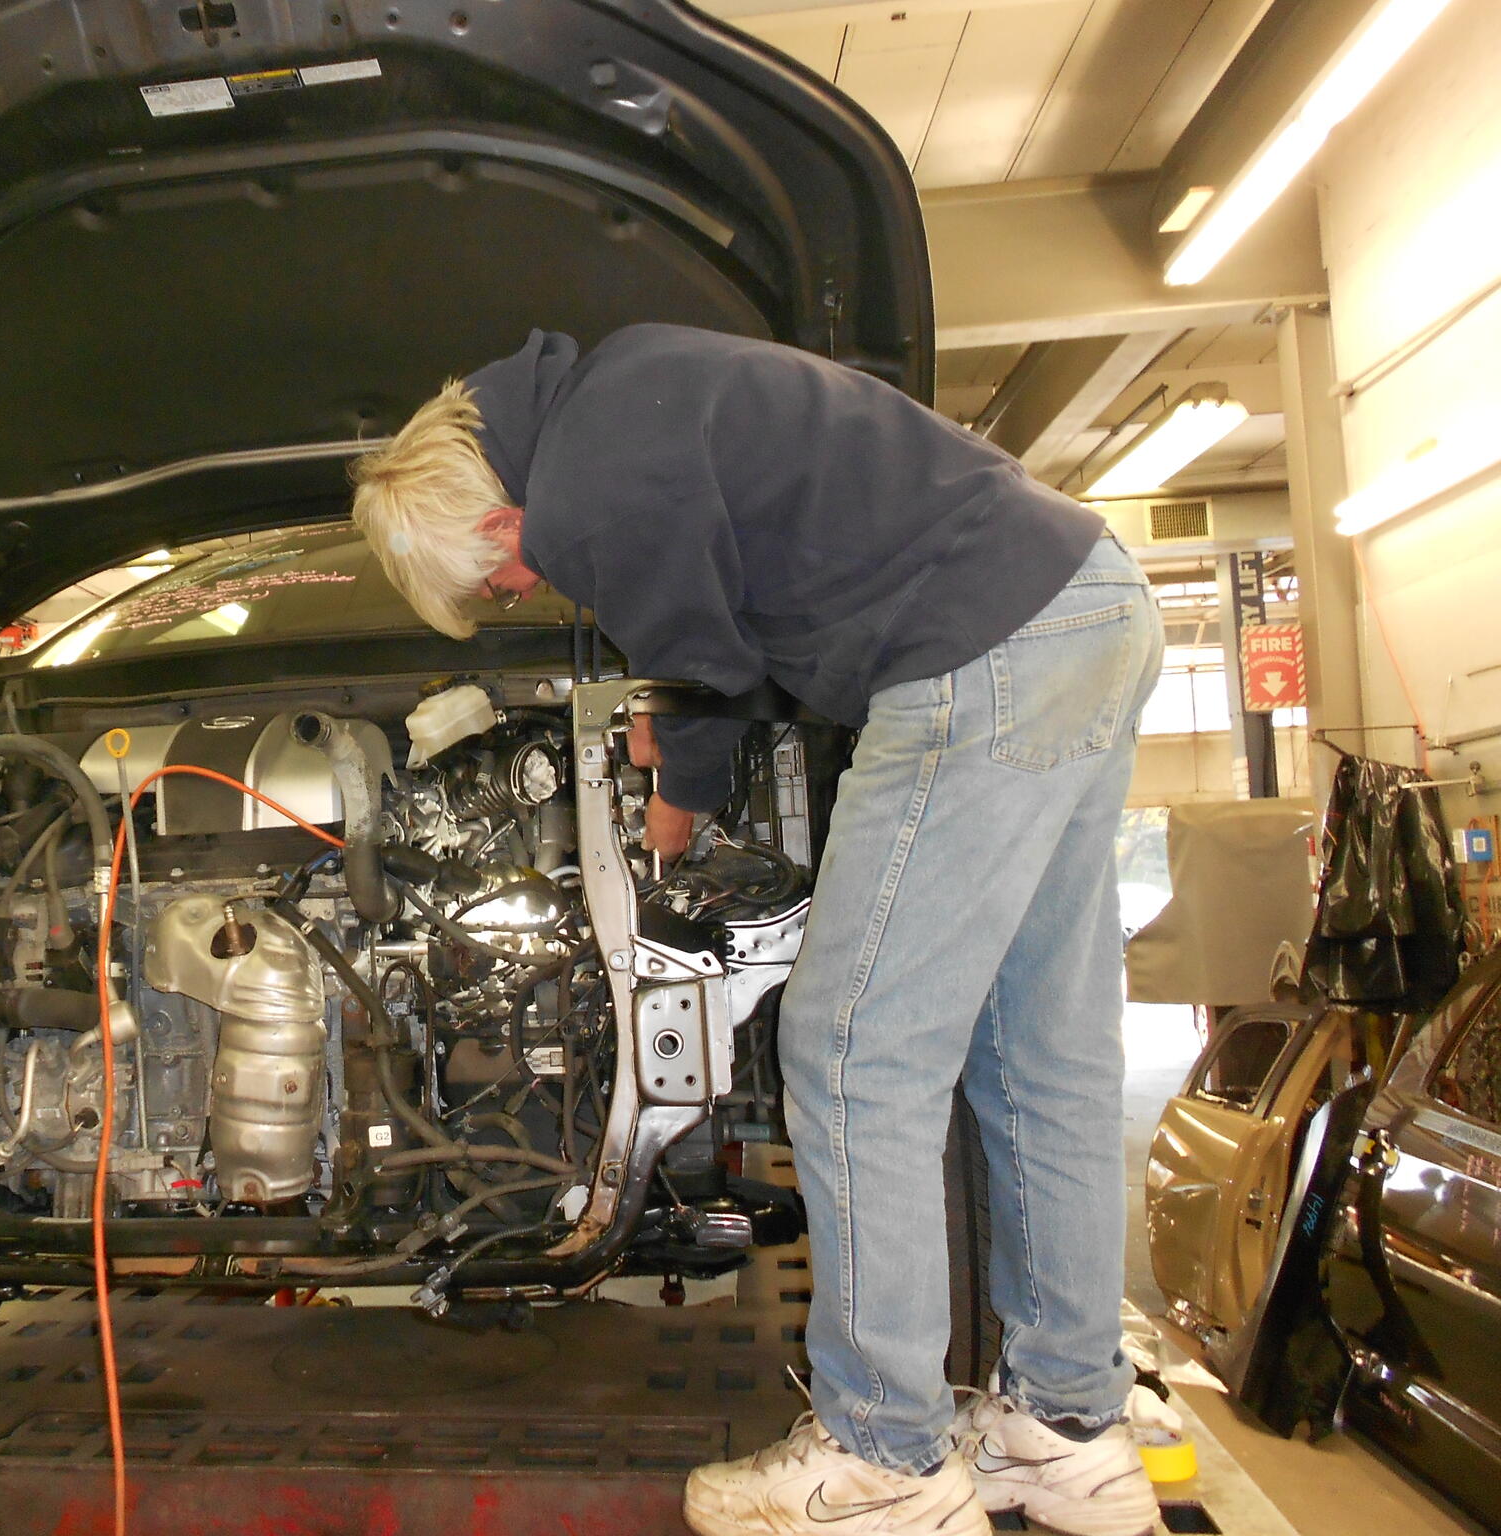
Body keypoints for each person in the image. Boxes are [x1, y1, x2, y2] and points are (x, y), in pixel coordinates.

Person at [350, 324, 1167, 1536]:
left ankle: (882, 1454)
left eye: (494, 582)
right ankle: (1065, 1430)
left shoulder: (580, 482)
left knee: (851, 1054)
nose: (517, 592)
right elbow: (744, 625)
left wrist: (677, 797)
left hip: (977, 653)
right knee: (1042, 1053)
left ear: (491, 522)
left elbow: (699, 663)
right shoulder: (619, 395)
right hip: (1082, 605)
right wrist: (679, 716)